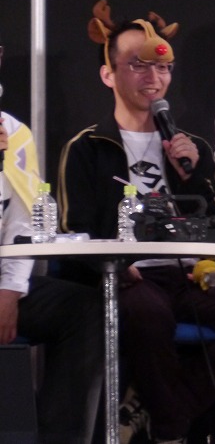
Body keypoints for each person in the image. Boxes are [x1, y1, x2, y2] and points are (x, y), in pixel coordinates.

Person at [59, 11, 215, 444]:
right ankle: (173, 428)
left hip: (190, 274)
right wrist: (116, 266)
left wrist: (194, 176)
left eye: (163, 67)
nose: (154, 77)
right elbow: (74, 230)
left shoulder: (191, 147)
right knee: (149, 315)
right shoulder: (86, 147)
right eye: (138, 65)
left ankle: (158, 411)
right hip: (128, 276)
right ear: (108, 74)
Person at [1, 110, 103, 444]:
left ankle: (60, 439)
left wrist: (10, 290)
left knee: (84, 310)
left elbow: (24, 218)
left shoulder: (13, 132)